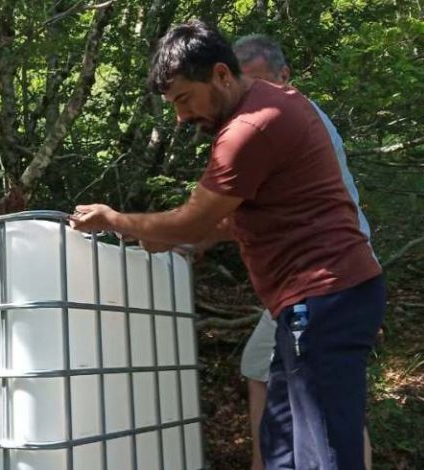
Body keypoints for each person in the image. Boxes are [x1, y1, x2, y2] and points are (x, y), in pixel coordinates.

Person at [69, 20, 385, 470]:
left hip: (323, 296)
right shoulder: (272, 105)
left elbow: (195, 219)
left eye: (183, 99)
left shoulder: (250, 127)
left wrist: (113, 219)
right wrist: (181, 237)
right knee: (280, 446)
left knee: (325, 451)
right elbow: (256, 215)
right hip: (315, 299)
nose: (180, 116)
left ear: (220, 74)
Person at [232, 34, 375, 470]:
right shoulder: (275, 119)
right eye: (246, 87)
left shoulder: (291, 118)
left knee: (318, 391)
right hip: (323, 269)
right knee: (290, 378)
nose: (254, 96)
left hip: (328, 271)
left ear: (285, 76)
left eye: (261, 83)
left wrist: (187, 232)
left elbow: (242, 205)